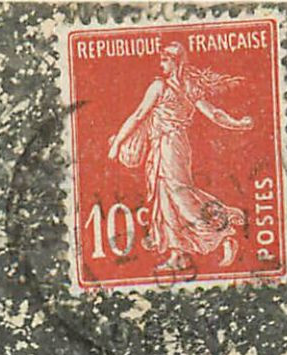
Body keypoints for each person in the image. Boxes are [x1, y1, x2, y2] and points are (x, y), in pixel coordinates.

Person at [107, 40, 253, 274]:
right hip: (168, 145)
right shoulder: (188, 86)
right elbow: (214, 114)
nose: (161, 64)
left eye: (165, 60)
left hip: (169, 145)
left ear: (176, 63)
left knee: (178, 194)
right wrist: (237, 123)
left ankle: (222, 234)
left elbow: (138, 116)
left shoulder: (161, 86)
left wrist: (117, 144)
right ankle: (178, 255)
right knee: (165, 197)